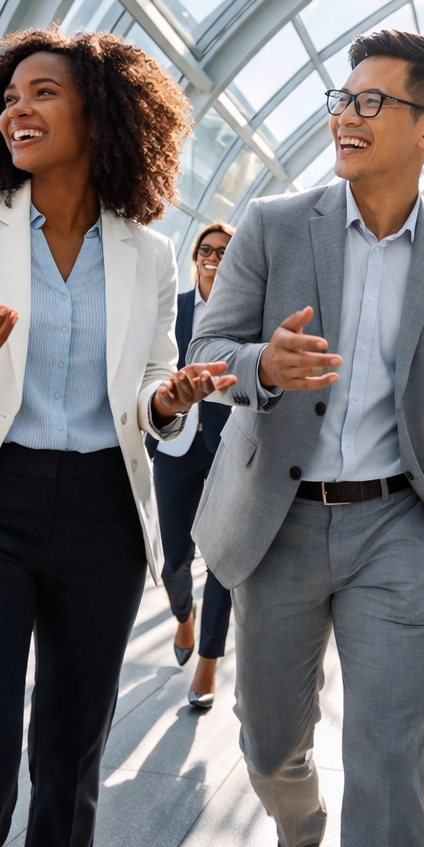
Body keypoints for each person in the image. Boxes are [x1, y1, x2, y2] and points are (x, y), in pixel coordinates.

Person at [0, 29, 235, 847]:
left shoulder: (149, 255)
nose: (18, 108)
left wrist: (173, 397)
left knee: (70, 770)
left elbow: (151, 388)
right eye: (9, 97)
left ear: (102, 110)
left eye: (42, 92)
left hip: (102, 516)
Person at [190, 29, 424, 847]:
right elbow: (205, 353)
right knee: (268, 749)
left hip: (398, 530)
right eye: (342, 100)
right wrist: (265, 363)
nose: (346, 118)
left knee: (388, 754)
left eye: (371, 102)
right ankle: (301, 829)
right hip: (278, 522)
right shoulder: (271, 226)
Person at [148, 221, 235, 709]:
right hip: (175, 443)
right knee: (175, 558)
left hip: (228, 448)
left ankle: (208, 663)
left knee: (221, 558)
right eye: (206, 248)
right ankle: (184, 616)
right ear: (195, 255)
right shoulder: (173, 308)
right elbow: (151, 365)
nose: (214, 257)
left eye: (225, 250)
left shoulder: (246, 312)